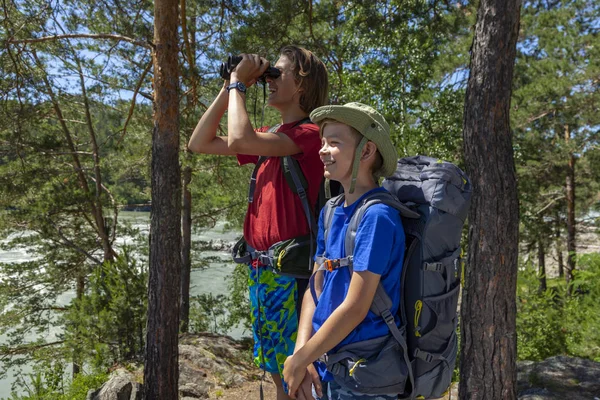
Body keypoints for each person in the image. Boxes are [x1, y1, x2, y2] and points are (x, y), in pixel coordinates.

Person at [188, 46, 329, 400]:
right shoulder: (273, 136)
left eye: (277, 74)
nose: (270, 81)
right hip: (262, 271)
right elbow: (199, 142)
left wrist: (240, 83)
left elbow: (239, 138)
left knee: (299, 376)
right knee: (278, 375)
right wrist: (228, 86)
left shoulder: (307, 134)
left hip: (290, 275)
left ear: (302, 84)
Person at [282, 103, 405, 400]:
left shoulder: (377, 217)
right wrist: (303, 351)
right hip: (327, 363)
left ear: (366, 151)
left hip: (365, 375)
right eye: (323, 142)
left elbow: (356, 307)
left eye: (334, 142)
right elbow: (315, 287)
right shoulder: (330, 211)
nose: (322, 150)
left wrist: (300, 360)